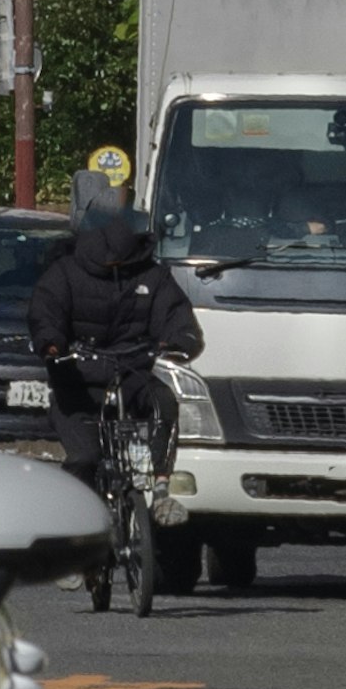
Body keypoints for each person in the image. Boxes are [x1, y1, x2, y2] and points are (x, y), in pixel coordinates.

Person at [26, 182, 205, 511]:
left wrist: (181, 341)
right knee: (85, 456)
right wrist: (52, 345)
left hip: (131, 373)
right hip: (77, 379)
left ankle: (162, 488)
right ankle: (73, 519)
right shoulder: (65, 273)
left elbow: (175, 314)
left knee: (163, 403)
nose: (113, 264)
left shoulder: (152, 276)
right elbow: (45, 313)